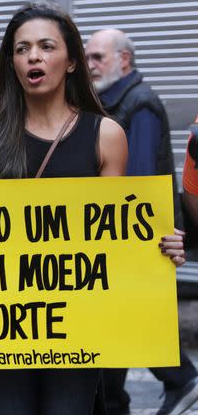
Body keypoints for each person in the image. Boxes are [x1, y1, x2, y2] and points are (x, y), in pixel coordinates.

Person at [0, 1, 184, 415]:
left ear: (71, 60)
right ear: (13, 65)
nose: (33, 56)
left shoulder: (106, 136)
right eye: (21, 49)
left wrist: (159, 247)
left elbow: (118, 240)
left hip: (77, 329)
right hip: (0, 330)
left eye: (46, 46)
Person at [86, 28, 197, 415]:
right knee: (127, 327)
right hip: (126, 240)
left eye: (97, 57)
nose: (90, 65)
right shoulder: (115, 102)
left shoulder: (140, 104)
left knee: (122, 330)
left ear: (124, 60)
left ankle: (180, 380)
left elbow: (139, 182)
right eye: (87, 57)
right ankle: (177, 382)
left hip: (137, 240)